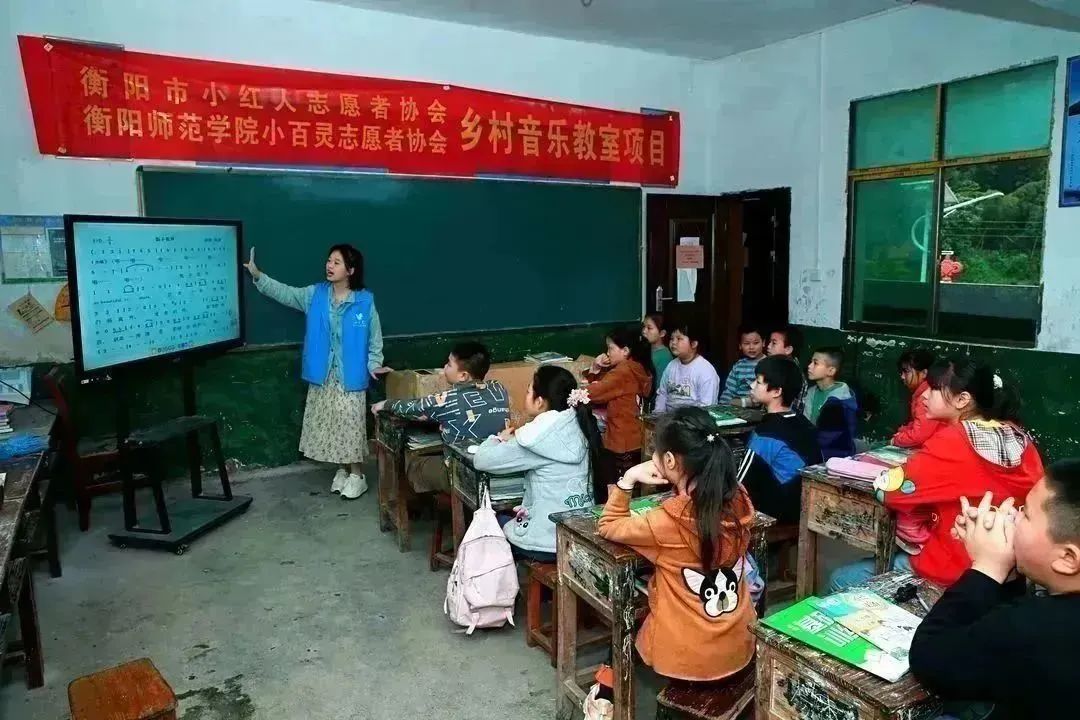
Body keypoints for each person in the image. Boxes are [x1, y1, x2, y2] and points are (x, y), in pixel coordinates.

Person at [829, 357, 1044, 591]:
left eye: (933, 388)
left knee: (840, 578)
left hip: (957, 568)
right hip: (1013, 569)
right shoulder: (1019, 437)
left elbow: (890, 491)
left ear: (962, 400)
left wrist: (891, 476)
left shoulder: (953, 441)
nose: (924, 395)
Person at [597, 407, 756, 683]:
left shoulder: (665, 522)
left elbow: (608, 525)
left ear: (669, 460)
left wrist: (628, 479)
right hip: (738, 644)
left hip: (688, 658)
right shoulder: (738, 497)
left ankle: (608, 690)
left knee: (624, 626)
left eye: (656, 453)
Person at [909, 463, 1080, 719]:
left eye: (1026, 514)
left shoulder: (1035, 629)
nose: (1013, 517)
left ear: (1067, 558)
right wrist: (1008, 572)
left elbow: (930, 658)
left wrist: (987, 568)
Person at [244, 244, 391, 499]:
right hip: (323, 374)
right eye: (329, 260)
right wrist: (258, 276)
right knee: (332, 426)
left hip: (350, 375)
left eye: (336, 262)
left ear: (351, 270)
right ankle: (343, 470)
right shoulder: (315, 294)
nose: (329, 266)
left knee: (349, 426)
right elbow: (286, 293)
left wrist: (374, 364)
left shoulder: (364, 301)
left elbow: (374, 340)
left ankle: (358, 475)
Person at [473, 366, 602, 562]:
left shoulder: (535, 437)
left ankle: (501, 580)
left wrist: (498, 439)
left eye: (528, 392)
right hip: (580, 534)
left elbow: (481, 460)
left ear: (540, 401)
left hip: (547, 543)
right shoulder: (579, 422)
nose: (526, 396)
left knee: (492, 521)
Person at [735, 356, 822, 524]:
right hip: (807, 507)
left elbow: (740, 485)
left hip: (779, 515)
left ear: (776, 391)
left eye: (758, 382)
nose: (752, 385)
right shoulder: (804, 422)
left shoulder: (765, 435)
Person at [371, 342, 510, 445]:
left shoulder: (448, 399)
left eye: (449, 364)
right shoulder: (498, 388)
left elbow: (415, 408)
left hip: (464, 466)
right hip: (497, 457)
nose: (444, 367)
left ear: (463, 375)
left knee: (417, 459)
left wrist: (385, 404)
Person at [584, 327, 654, 502]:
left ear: (625, 351)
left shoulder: (623, 371)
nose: (607, 353)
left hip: (620, 440)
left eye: (610, 348)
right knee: (631, 488)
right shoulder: (637, 367)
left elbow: (594, 393)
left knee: (618, 490)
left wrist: (593, 370)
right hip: (634, 436)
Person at [802, 347, 858, 460]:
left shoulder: (841, 400)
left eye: (815, 363)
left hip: (835, 456)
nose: (809, 366)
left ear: (831, 371)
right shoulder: (811, 392)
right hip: (812, 449)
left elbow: (831, 438)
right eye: (810, 362)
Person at [654, 320, 720, 412]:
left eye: (679, 339)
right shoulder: (671, 366)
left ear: (693, 344)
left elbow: (706, 407)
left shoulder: (705, 371)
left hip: (695, 419)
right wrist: (658, 416)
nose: (673, 342)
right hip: (668, 418)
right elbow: (662, 394)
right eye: (672, 339)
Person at [892, 348, 945, 448]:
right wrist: (904, 430)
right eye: (901, 372)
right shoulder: (925, 391)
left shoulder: (925, 397)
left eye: (906, 371)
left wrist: (896, 440)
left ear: (924, 373)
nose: (902, 377)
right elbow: (919, 424)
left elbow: (919, 435)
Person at [720, 324, 766, 407]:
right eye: (746, 343)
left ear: (763, 343)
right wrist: (723, 406)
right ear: (740, 346)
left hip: (757, 409)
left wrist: (742, 403)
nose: (751, 347)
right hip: (735, 408)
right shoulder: (738, 366)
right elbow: (729, 390)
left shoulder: (768, 364)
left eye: (756, 343)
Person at [766, 324, 804, 412]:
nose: (768, 346)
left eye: (774, 343)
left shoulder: (794, 375)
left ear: (788, 349)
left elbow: (791, 411)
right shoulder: (774, 366)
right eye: (769, 342)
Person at [642, 313, 674, 384]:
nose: (644, 331)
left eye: (649, 328)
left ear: (662, 333)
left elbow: (660, 386)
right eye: (644, 327)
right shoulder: (644, 349)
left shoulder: (664, 356)